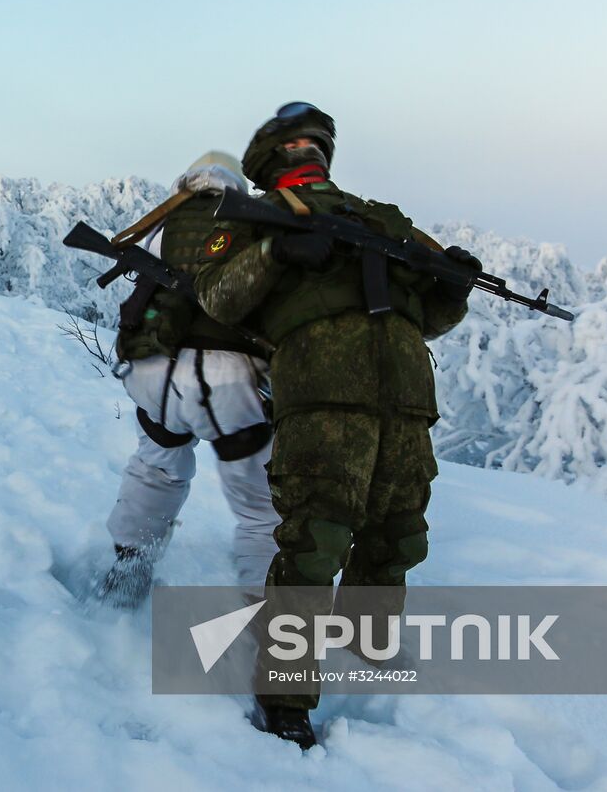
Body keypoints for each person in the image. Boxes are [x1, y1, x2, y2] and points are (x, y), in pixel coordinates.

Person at [193, 103, 476, 748]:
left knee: (398, 534)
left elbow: (425, 315)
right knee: (314, 542)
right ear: (269, 160)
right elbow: (216, 296)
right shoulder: (252, 218)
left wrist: (451, 287)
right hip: (320, 396)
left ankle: (366, 642)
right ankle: (286, 701)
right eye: (292, 144)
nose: (307, 151)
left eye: (314, 142)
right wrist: (275, 251)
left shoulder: (383, 220)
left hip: (404, 399)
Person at [97, 152, 281, 608]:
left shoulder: (167, 222)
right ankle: (269, 616)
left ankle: (127, 570)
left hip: (153, 376)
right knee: (261, 504)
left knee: (156, 467)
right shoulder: (253, 224)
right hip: (224, 383)